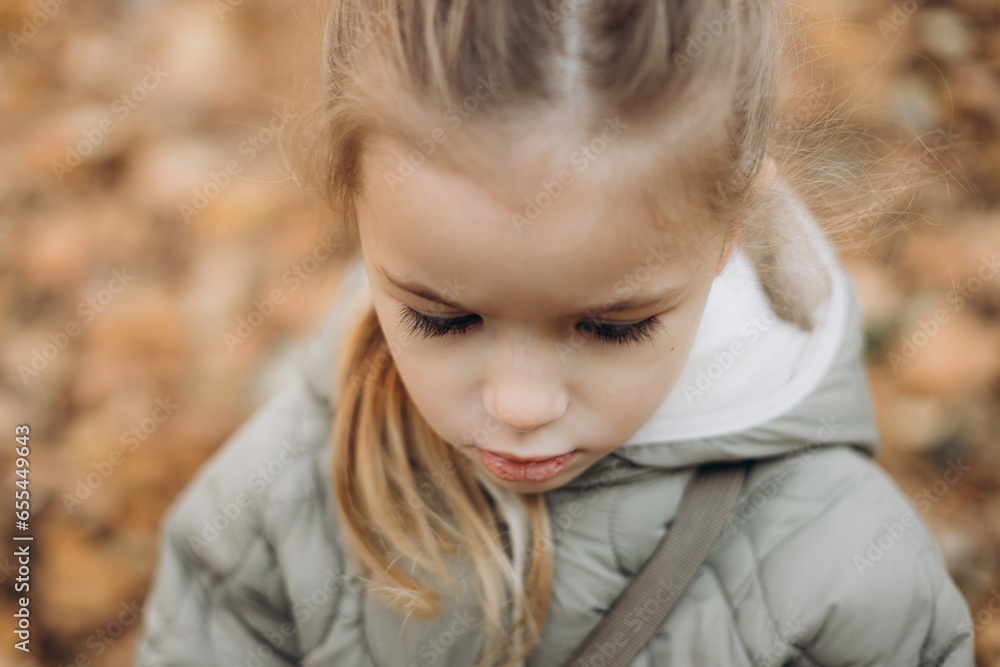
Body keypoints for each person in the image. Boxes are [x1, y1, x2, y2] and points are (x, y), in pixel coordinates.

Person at [135, 1, 975, 665]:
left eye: (613, 328)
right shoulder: (288, 486)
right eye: (443, 318)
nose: (521, 404)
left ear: (730, 228)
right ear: (357, 213)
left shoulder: (845, 575)